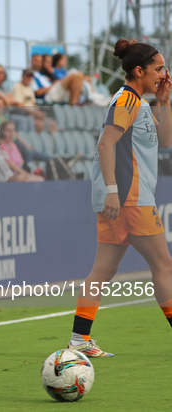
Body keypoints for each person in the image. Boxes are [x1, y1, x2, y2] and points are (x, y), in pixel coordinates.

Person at [66, 39, 172, 357]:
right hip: (130, 198)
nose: (163, 74)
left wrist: (163, 101)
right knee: (164, 265)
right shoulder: (127, 100)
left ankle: (79, 340)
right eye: (158, 69)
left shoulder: (138, 102)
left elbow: (165, 141)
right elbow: (105, 144)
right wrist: (113, 191)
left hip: (123, 198)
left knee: (103, 271)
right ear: (138, 70)